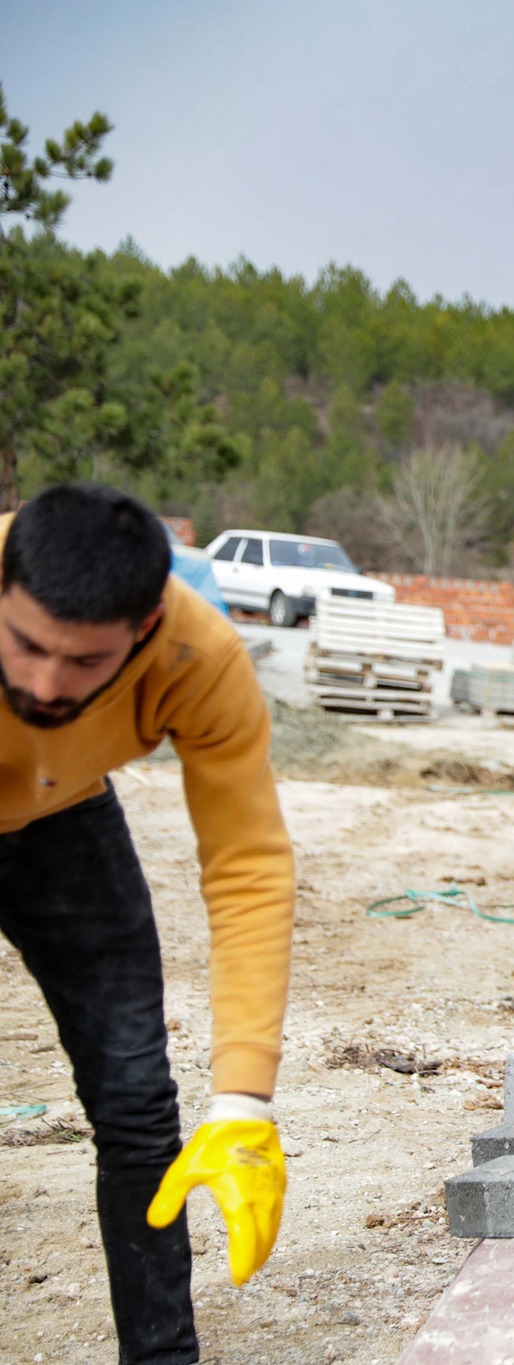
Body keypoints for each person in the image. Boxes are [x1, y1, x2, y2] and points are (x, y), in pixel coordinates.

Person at [0, 484, 292, 1363]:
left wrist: (244, 1101)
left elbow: (247, 866)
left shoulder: (200, 657)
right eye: (23, 645)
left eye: (84, 662)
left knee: (135, 1102)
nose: (45, 684)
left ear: (145, 625)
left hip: (61, 821)